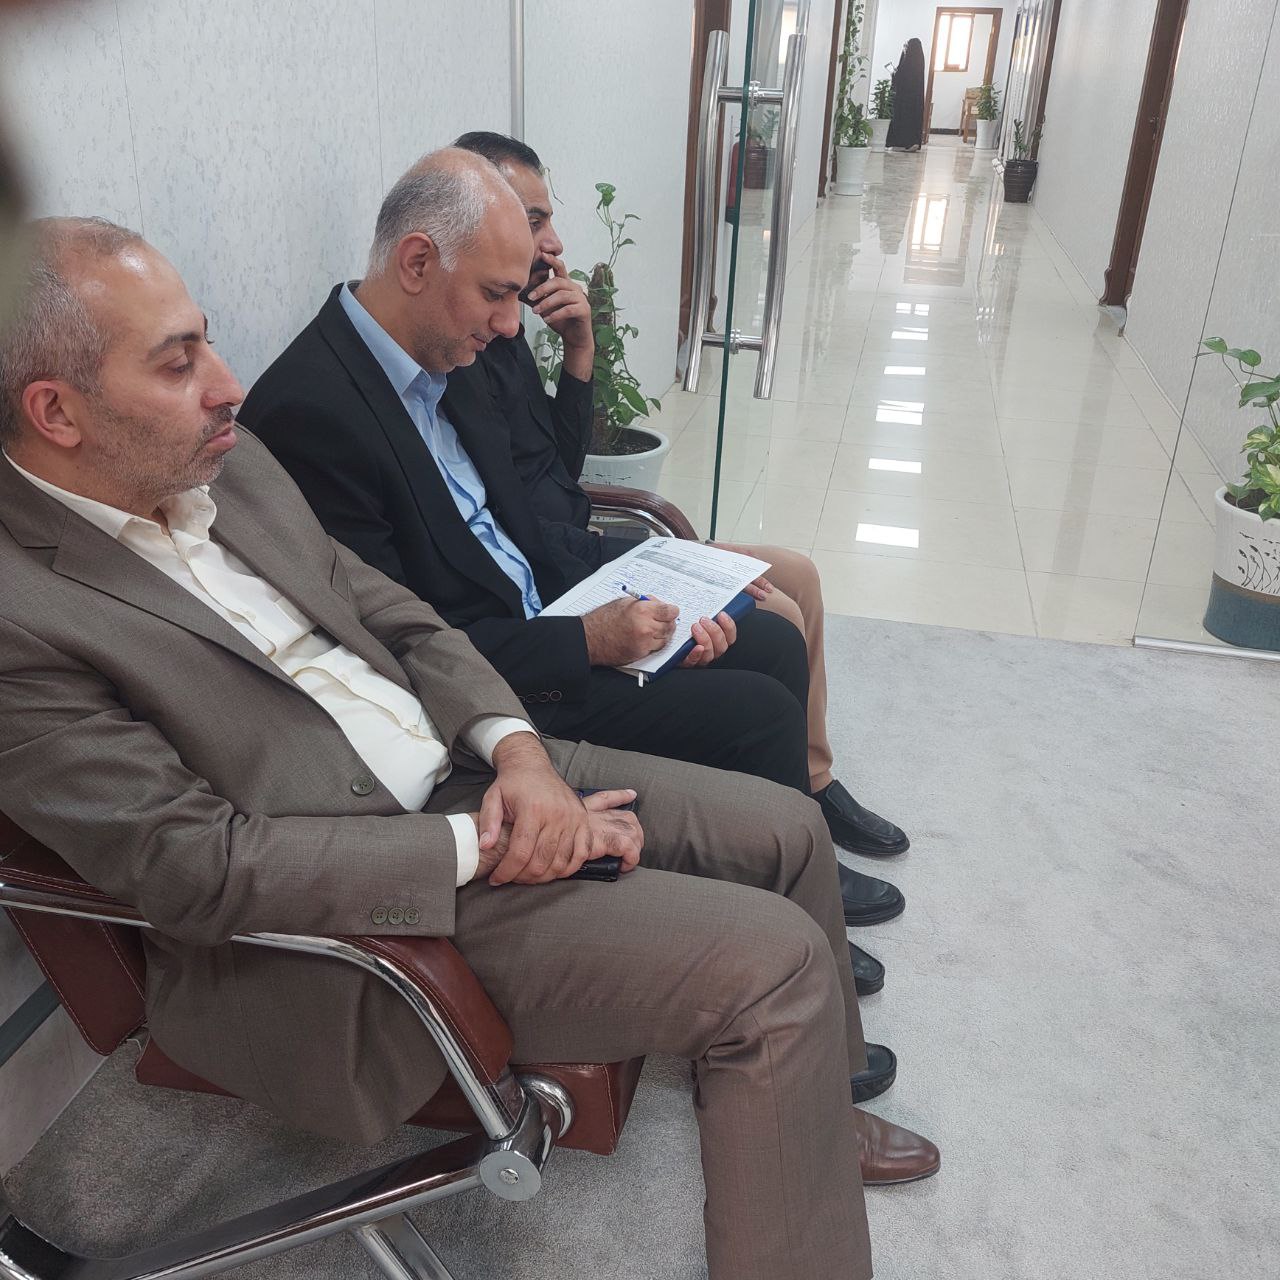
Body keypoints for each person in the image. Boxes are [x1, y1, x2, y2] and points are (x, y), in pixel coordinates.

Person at [0, 217, 940, 1280]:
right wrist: (481, 846)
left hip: (469, 767)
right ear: (57, 412)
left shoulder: (222, 462)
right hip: (364, 895)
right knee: (773, 967)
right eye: (178, 363)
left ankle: (811, 1121)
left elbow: (396, 614)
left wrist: (523, 757)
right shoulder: (21, 616)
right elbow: (192, 865)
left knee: (787, 827)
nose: (227, 384)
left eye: (206, 341)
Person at [239, 149, 906, 942]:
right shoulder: (314, 412)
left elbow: (526, 521)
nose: (509, 324)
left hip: (547, 610)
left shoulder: (444, 352)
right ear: (416, 263)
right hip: (494, 683)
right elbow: (394, 644)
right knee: (755, 712)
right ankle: (784, 917)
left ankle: (793, 869)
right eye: (496, 294)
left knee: (769, 641)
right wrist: (586, 641)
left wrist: (670, 582)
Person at [449, 131, 912, 877]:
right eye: (535, 221)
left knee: (799, 573)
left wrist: (579, 351)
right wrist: (665, 559)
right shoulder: (460, 352)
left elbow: (558, 472)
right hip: (570, 574)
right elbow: (524, 523)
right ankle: (790, 809)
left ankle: (815, 785)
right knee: (775, 608)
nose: (554, 241)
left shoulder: (501, 336)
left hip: (582, 550)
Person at [885, 38, 927, 152]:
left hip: (904, 100)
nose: (905, 49)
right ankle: (913, 142)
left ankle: (903, 142)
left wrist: (894, 73)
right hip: (913, 101)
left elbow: (900, 78)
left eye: (906, 47)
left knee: (904, 120)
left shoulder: (908, 63)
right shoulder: (918, 62)